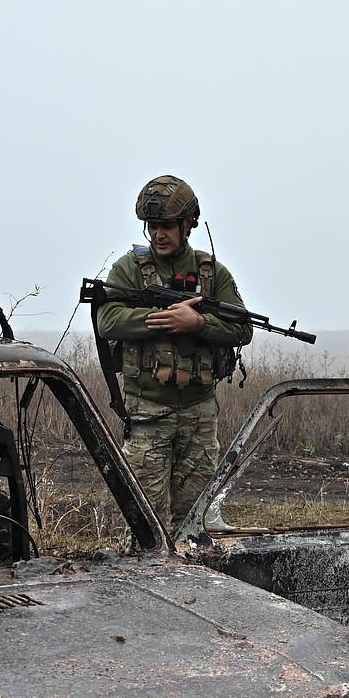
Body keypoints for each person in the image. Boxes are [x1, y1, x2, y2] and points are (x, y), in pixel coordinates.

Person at [96, 175, 253, 528]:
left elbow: (243, 328)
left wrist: (197, 325)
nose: (158, 234)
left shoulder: (211, 273)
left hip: (199, 414)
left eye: (167, 226)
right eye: (152, 226)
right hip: (148, 413)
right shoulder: (129, 269)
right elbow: (108, 319)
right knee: (144, 525)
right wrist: (165, 319)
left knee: (195, 521)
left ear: (187, 225)